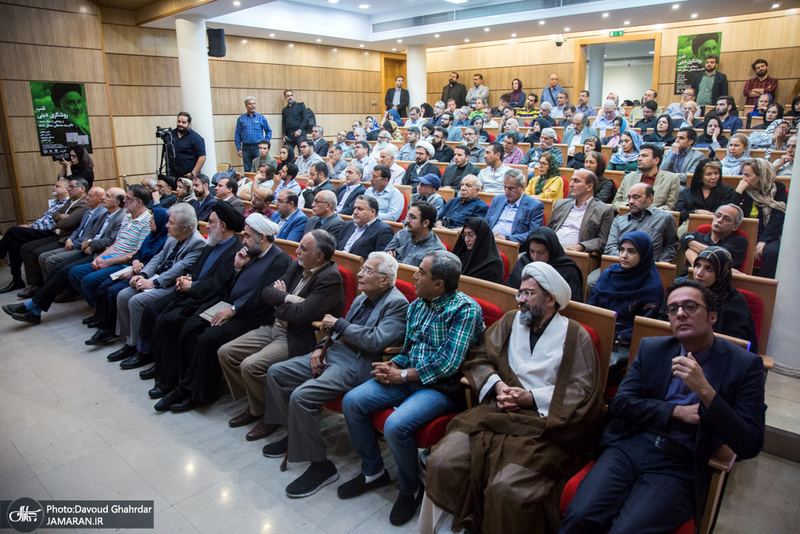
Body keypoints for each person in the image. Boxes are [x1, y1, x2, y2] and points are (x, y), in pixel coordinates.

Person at [561, 280, 766, 533]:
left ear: (712, 316)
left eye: (689, 306)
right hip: (629, 447)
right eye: (673, 309)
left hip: (680, 464)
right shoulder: (653, 349)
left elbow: (750, 443)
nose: (680, 313)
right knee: (580, 517)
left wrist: (705, 390)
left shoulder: (744, 365)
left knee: (626, 530)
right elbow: (621, 404)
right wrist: (675, 412)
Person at [421, 262, 604, 534]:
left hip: (544, 423)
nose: (520, 300)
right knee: (442, 461)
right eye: (519, 293)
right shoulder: (509, 322)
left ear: (550, 299)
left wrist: (531, 397)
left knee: (506, 488)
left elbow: (582, 390)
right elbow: (479, 358)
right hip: (496, 410)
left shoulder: (576, 335)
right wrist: (496, 386)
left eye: (528, 294)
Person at [340, 250, 483, 526]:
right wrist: (393, 364)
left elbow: (448, 364)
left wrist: (403, 374)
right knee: (352, 401)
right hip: (408, 376)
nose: (414, 276)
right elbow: (409, 349)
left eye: (421, 272)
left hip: (442, 388)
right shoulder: (418, 304)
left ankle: (410, 488)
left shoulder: (465, 309)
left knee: (396, 425)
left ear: (439, 284)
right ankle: (373, 471)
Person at [261, 252, 409, 498]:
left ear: (385, 280)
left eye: (368, 271)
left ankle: (321, 467)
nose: (360, 274)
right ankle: (296, 435)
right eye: (362, 269)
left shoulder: (397, 303)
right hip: (334, 353)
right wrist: (320, 348)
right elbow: (337, 332)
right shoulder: (363, 298)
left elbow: (376, 340)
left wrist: (339, 325)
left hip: (356, 364)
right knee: (276, 372)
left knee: (301, 395)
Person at [217, 230, 344, 440]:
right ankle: (257, 403)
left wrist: (280, 299)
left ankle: (270, 417)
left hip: (297, 335)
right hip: (275, 325)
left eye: (303, 248)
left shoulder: (330, 279)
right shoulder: (297, 264)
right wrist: (288, 299)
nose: (297, 251)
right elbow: (267, 293)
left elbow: (303, 315)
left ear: (319, 257)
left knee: (251, 365)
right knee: (226, 352)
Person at [6, 186, 152, 325]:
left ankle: (100, 312)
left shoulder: (138, 219)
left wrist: (99, 252)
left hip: (118, 259)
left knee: (71, 272)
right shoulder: (124, 216)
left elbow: (135, 253)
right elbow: (104, 237)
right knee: (61, 268)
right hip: (101, 252)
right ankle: (35, 308)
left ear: (136, 202)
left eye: (127, 198)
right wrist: (98, 254)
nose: (124, 200)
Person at [91, 204, 206, 366]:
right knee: (123, 295)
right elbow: (158, 258)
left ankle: (144, 350)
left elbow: (179, 269)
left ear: (186, 228)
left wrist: (153, 282)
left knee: (136, 301)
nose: (166, 225)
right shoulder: (174, 235)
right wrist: (142, 275)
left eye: (171, 223)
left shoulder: (198, 243)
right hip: (157, 277)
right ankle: (131, 342)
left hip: (173, 284)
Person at [589, 231, 664, 346]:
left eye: (631, 251)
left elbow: (645, 327)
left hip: (627, 343)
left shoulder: (651, 285)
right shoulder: (609, 274)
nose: (624, 255)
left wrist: (615, 337)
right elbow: (591, 308)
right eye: (621, 249)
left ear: (644, 254)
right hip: (598, 332)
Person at [689, 247, 759, 352]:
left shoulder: (733, 301)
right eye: (697, 266)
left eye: (709, 269)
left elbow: (737, 346)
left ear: (721, 273)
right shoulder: (685, 291)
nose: (699, 273)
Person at [733, 158, 786, 279]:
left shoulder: (778, 189)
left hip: (769, 234)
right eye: (743, 175)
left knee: (772, 252)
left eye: (747, 175)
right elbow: (731, 214)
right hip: (743, 233)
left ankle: (763, 288)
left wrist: (763, 241)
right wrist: (738, 192)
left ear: (761, 176)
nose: (743, 179)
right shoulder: (744, 191)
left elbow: (777, 217)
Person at [606, 183, 679, 265]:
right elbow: (610, 248)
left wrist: (661, 264)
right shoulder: (619, 221)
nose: (631, 202)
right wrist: (627, 259)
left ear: (649, 198)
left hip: (650, 268)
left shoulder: (664, 218)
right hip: (621, 266)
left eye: (636, 197)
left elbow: (670, 247)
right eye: (629, 198)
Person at [506, 225, 584, 298]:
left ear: (551, 251)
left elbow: (573, 305)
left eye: (541, 252)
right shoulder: (524, 261)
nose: (535, 257)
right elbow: (508, 290)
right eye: (532, 251)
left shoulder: (568, 270)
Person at [549, 169, 614, 254]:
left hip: (577, 256)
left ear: (589, 187)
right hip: (551, 251)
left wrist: (581, 246)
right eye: (571, 180)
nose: (571, 184)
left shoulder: (604, 210)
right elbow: (549, 230)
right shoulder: (560, 204)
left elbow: (602, 240)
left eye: (576, 181)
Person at [612, 143, 679, 212]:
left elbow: (669, 207)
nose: (639, 159)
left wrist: (646, 212)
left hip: (654, 219)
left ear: (656, 160)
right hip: (627, 218)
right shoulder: (629, 177)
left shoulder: (671, 179)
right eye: (639, 156)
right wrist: (631, 207)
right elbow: (616, 202)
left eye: (644, 156)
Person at [486, 168, 544, 243]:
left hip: (512, 246)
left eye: (511, 188)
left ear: (522, 186)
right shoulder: (497, 199)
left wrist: (507, 238)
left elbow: (534, 234)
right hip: (489, 242)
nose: (506, 192)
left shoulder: (535, 206)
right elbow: (486, 223)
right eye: (505, 187)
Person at [384, 202, 445, 267]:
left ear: (425, 223)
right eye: (408, 216)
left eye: (412, 217)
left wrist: (393, 262)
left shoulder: (437, 250)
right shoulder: (402, 234)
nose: (407, 221)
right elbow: (384, 257)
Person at [677, 159, 736, 226]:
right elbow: (680, 212)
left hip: (716, 226)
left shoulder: (727, 191)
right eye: (709, 174)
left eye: (716, 173)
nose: (714, 177)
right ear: (701, 176)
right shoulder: (687, 192)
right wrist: (696, 212)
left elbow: (724, 214)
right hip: (689, 225)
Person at [452, 217, 505, 284]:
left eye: (471, 235)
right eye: (464, 235)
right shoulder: (462, 252)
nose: (466, 240)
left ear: (481, 236)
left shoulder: (493, 264)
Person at [235, 96, 272, 172]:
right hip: (246, 148)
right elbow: (237, 134)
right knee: (247, 169)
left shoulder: (261, 118)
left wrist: (265, 143)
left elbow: (269, 131)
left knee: (260, 168)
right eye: (250, 104)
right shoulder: (241, 119)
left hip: (258, 147)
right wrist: (238, 149)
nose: (252, 106)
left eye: (254, 104)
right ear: (246, 106)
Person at [166, 111, 206, 178]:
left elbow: (202, 157)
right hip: (173, 175)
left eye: (183, 122)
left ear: (189, 123)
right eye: (179, 122)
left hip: (188, 175)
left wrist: (193, 173)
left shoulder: (196, 138)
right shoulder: (170, 135)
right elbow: (165, 152)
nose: (180, 124)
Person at [281, 89, 308, 156]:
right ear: (285, 98)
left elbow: (306, 119)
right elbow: (283, 123)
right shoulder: (284, 110)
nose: (290, 97)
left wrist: (300, 130)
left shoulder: (300, 105)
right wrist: (284, 134)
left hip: (300, 133)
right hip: (290, 134)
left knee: (302, 153)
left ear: (293, 96)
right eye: (288, 96)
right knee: (286, 152)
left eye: (291, 95)